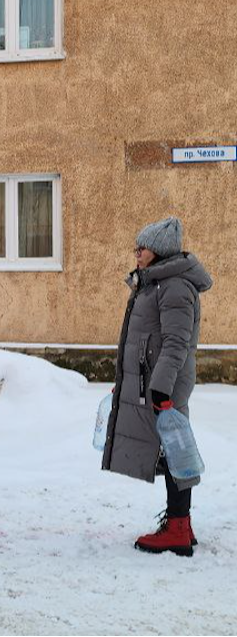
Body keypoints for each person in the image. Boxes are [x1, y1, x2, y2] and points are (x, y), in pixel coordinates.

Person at [101, 217, 213, 557]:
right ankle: (181, 523)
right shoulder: (157, 285)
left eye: (142, 248)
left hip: (164, 386)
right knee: (169, 451)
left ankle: (178, 528)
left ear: (159, 251)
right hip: (153, 382)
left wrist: (161, 390)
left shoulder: (175, 287)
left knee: (173, 452)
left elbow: (177, 343)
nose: (136, 253)